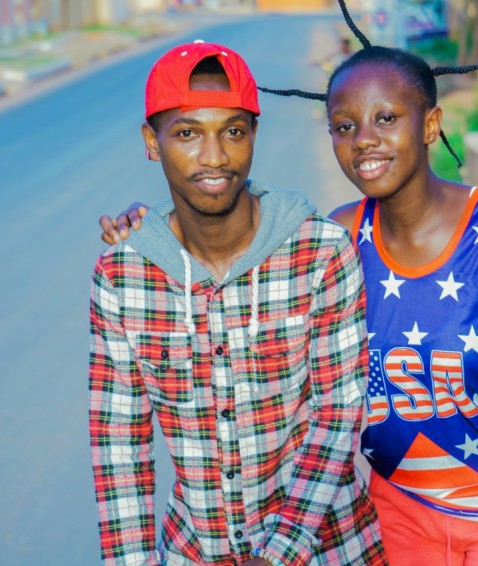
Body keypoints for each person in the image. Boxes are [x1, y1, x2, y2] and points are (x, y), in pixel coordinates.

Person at [101, 27, 478, 566]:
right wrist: (148, 231)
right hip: (398, 513)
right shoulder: (335, 239)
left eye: (386, 118)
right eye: (344, 126)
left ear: (430, 124)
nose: (365, 139)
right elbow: (240, 218)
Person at [88, 40, 386, 566]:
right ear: (151, 142)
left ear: (253, 135)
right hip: (196, 549)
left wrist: (277, 555)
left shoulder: (318, 252)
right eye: (186, 133)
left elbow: (337, 414)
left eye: (232, 131)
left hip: (328, 546)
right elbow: (120, 452)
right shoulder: (123, 277)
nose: (214, 156)